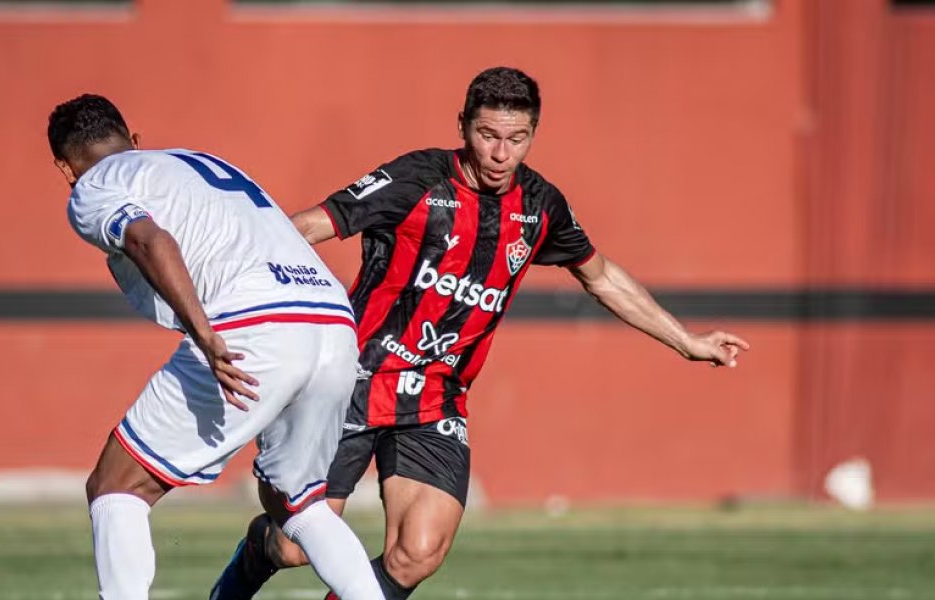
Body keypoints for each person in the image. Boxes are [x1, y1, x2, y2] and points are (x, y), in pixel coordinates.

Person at [210, 67, 750, 600]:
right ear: (463, 126)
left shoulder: (540, 206)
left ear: (533, 135)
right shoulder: (415, 180)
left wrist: (687, 341)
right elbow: (306, 227)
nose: (500, 154)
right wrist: (231, 291)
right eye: (487, 136)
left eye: (516, 140)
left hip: (436, 399)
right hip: (350, 384)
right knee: (295, 547)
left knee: (417, 553)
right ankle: (249, 562)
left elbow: (600, 274)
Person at [48, 94, 385, 600]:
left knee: (117, 486)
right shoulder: (197, 161)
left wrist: (205, 335)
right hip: (333, 324)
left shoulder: (95, 184)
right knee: (297, 503)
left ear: (64, 168)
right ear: (134, 139)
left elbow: (149, 241)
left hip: (257, 328)